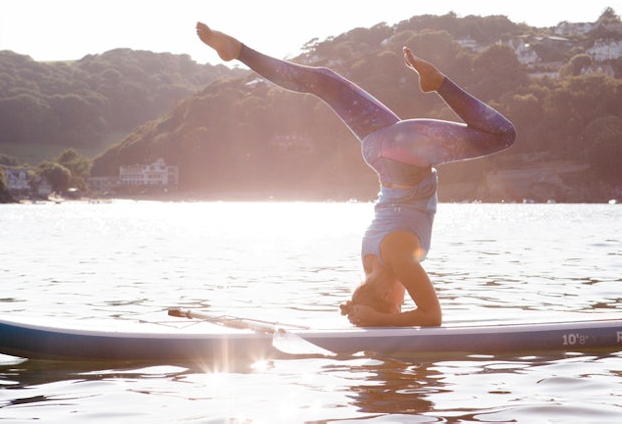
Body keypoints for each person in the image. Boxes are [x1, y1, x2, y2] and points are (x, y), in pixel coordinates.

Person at [195, 22, 516, 327]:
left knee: (501, 134)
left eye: (398, 302)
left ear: (389, 295)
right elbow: (373, 296)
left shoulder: (398, 257)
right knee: (323, 82)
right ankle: (239, 52)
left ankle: (438, 83)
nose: (404, 299)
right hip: (378, 148)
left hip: (405, 155)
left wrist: (381, 319)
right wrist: (363, 310)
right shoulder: (370, 260)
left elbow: (431, 316)